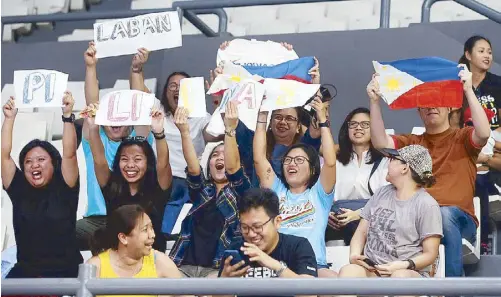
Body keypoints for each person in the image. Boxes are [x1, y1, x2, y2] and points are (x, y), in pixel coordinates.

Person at [367, 65, 491, 277]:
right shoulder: (413, 142)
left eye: (437, 101)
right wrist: (374, 101)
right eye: (425, 103)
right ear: (418, 111)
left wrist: (468, 90)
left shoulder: (462, 137)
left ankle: (450, 290)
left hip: (458, 218)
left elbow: (484, 132)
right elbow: (380, 142)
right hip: (416, 218)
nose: (431, 107)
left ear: (450, 107)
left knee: (442, 214)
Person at [129, 48, 222, 236]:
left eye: (183, 86)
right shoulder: (158, 110)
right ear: (165, 91)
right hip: (160, 179)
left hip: (191, 181)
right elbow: (139, 95)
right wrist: (137, 69)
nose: (177, 89)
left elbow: (217, 133)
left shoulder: (201, 117)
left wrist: (220, 97)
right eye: (172, 86)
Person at [76, 42, 153, 250]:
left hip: (132, 220)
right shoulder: (94, 138)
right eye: (111, 116)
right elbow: (92, 103)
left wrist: (136, 69)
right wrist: (91, 67)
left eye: (122, 117)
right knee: (59, 233)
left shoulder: (139, 143)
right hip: (96, 220)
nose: (116, 121)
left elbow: (140, 103)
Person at [338, 145, 442, 292]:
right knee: (349, 271)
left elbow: (430, 254)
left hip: (408, 272)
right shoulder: (381, 193)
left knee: (399, 278)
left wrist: (402, 265)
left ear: (405, 168)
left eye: (393, 159)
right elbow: (361, 232)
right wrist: (355, 254)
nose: (388, 161)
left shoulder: (427, 204)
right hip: (374, 271)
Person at [254, 97, 337, 277]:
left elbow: (330, 162)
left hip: (314, 265)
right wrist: (262, 117)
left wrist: (323, 121)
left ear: (312, 168)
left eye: (299, 160)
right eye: (288, 160)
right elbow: (259, 158)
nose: (292, 164)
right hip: (276, 264)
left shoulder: (320, 194)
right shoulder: (275, 190)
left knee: (334, 281)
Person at [1, 94, 83, 278]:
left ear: (54, 163)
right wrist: (9, 119)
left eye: (41, 160)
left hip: (65, 273)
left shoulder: (65, 185)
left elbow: (70, 154)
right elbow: (4, 155)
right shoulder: (19, 188)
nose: (34, 165)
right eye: (28, 161)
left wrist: (68, 116)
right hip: (27, 272)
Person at [168, 103, 251, 277]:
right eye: (215, 155)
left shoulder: (243, 193)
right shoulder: (202, 191)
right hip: (184, 265)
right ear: (209, 165)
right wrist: (184, 132)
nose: (220, 157)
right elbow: (193, 167)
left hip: (218, 269)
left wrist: (229, 129)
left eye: (224, 154)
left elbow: (234, 169)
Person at [85, 107, 172, 252]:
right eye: (124, 159)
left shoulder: (158, 187)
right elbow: (99, 159)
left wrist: (159, 133)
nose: (130, 165)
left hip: (150, 257)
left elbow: (163, 164)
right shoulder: (111, 185)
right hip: (117, 258)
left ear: (148, 163)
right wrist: (94, 128)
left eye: (137, 159)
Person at [218, 188, 317, 297]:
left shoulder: (298, 246)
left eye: (257, 227)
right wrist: (224, 282)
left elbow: (309, 294)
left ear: (277, 222)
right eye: (245, 227)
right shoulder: (236, 249)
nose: (251, 234)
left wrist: (274, 265)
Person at [459, 35, 501, 254]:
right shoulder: (457, 83)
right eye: (482, 51)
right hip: (469, 144)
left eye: (490, 52)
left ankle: (482, 240)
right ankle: (474, 237)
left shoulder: (498, 84)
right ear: (468, 55)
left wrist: (490, 138)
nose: (487, 56)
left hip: (495, 142)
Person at [87, 204, 184, 297]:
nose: (152, 235)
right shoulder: (95, 267)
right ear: (123, 238)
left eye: (152, 228)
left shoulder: (159, 262)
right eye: (145, 229)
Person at [328, 107, 389, 245]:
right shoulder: (335, 161)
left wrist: (358, 214)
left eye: (365, 124)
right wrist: (327, 215)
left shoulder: (385, 161)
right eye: (353, 124)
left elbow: (388, 200)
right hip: (337, 218)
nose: (358, 128)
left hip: (372, 218)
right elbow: (322, 193)